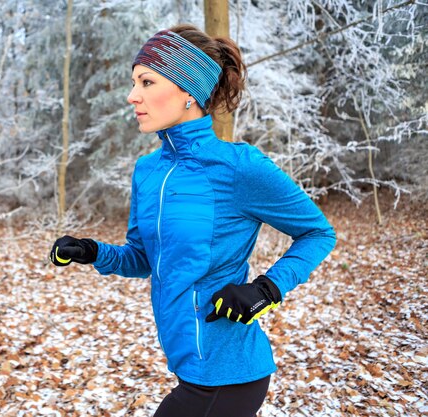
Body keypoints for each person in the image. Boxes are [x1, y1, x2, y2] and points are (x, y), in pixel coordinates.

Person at [49, 24, 336, 417]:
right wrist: (92, 251)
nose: (133, 96)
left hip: (228, 375)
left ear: (188, 92)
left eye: (147, 82)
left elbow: (318, 233)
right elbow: (144, 259)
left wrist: (266, 289)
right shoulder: (148, 171)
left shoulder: (238, 168)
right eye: (134, 82)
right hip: (189, 366)